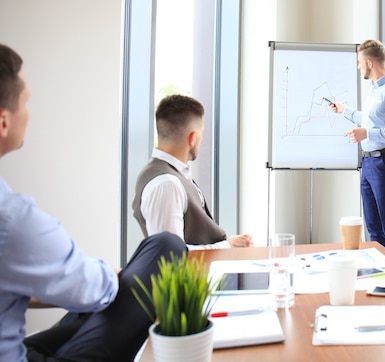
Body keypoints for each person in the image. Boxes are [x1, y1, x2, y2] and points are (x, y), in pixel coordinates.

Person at [0, 43, 187, 361]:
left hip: (21, 348)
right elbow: (98, 291)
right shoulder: (12, 218)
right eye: (26, 101)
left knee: (89, 311)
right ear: (3, 121)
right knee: (166, 247)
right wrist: (115, 276)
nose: (29, 112)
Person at [133, 94, 253, 249]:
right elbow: (171, 256)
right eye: (201, 132)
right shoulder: (167, 184)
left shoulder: (167, 174)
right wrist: (227, 247)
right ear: (192, 138)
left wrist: (228, 244)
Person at [330, 39, 385, 259]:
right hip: (368, 163)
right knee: (374, 231)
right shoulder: (374, 91)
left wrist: (368, 134)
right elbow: (370, 121)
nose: (358, 68)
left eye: (359, 63)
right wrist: (345, 111)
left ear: (369, 62)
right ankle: (383, 277)